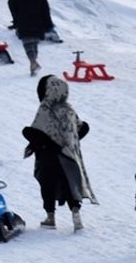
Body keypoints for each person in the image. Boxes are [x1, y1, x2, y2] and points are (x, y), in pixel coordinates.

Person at [22, 75, 97, 231]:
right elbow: (83, 127)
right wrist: (71, 142)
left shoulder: (45, 108)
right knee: (69, 183)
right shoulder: (69, 110)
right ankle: (76, 215)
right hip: (68, 156)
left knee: (47, 184)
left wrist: (34, 140)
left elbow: (37, 132)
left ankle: (50, 217)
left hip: (47, 157)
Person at [8, 0, 53, 76]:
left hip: (23, 21)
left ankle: (33, 62)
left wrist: (16, 19)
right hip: (38, 21)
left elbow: (11, 3)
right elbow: (45, 9)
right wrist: (48, 24)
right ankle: (33, 63)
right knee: (34, 43)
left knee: (28, 43)